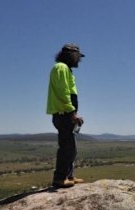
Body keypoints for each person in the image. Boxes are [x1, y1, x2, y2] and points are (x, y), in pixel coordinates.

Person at [47, 43, 85, 188]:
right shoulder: (61, 68)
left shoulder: (66, 69)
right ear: (71, 55)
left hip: (66, 114)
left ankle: (69, 175)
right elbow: (63, 92)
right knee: (67, 147)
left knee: (71, 147)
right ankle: (59, 178)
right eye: (78, 57)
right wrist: (72, 113)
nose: (79, 60)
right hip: (64, 114)